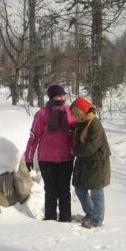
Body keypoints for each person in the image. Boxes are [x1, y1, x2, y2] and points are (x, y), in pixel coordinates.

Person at [24, 84, 75, 222]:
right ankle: (50, 218)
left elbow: (75, 133)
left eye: (63, 95)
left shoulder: (69, 112)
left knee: (64, 190)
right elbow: (33, 137)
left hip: (66, 158)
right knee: (51, 190)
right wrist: (28, 158)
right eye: (59, 96)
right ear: (52, 97)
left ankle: (65, 217)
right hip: (47, 159)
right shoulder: (41, 114)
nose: (62, 98)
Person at [70, 96, 111, 229]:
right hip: (85, 164)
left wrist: (74, 150)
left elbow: (91, 147)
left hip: (97, 165)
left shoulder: (94, 124)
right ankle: (91, 213)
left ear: (82, 112)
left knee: (96, 193)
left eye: (76, 114)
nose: (74, 116)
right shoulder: (81, 123)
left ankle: (97, 220)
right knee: (79, 189)